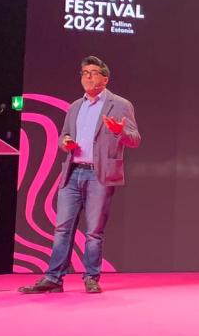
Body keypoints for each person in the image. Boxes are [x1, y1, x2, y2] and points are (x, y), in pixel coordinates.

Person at [19, 56, 141, 294]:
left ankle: (91, 277)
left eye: (93, 72)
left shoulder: (120, 104)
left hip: (99, 175)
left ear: (105, 79)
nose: (87, 76)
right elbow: (63, 136)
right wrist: (65, 142)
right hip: (73, 173)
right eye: (84, 72)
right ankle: (54, 278)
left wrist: (120, 131)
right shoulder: (75, 106)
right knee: (62, 229)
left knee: (94, 231)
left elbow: (135, 139)